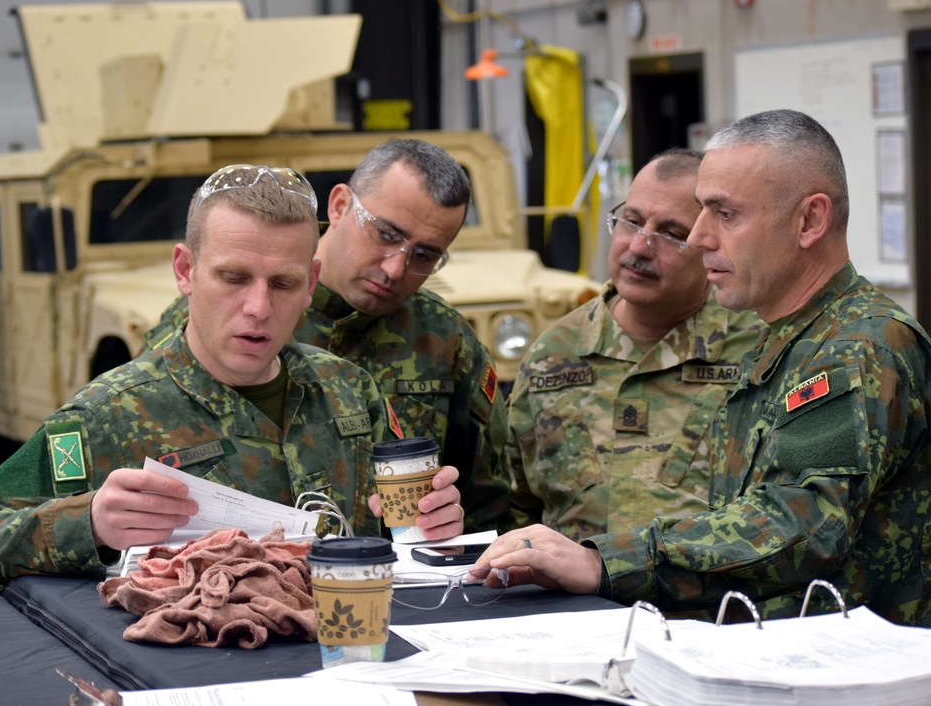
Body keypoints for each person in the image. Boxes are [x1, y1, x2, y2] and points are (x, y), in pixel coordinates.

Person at [475, 109, 931, 627]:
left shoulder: (854, 347)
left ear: (810, 221)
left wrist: (603, 561)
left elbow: (801, 522)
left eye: (725, 214)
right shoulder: (789, 339)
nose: (696, 238)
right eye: (698, 213)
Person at [0, 164, 464, 586]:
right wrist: (91, 524)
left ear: (311, 284)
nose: (258, 307)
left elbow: (407, 534)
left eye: (283, 284)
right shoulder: (111, 414)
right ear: (185, 272)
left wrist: (433, 524)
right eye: (233, 278)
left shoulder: (350, 393)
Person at [144, 140, 511, 533]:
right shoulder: (210, 320)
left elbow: (489, 501)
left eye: (424, 256)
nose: (395, 268)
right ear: (340, 206)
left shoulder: (445, 338)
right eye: (386, 234)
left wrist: (444, 523)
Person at [507, 149, 761, 541]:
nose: (640, 247)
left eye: (672, 234)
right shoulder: (553, 354)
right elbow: (514, 507)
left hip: (708, 601)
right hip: (577, 602)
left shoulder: (758, 353)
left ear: (714, 246)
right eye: (632, 221)